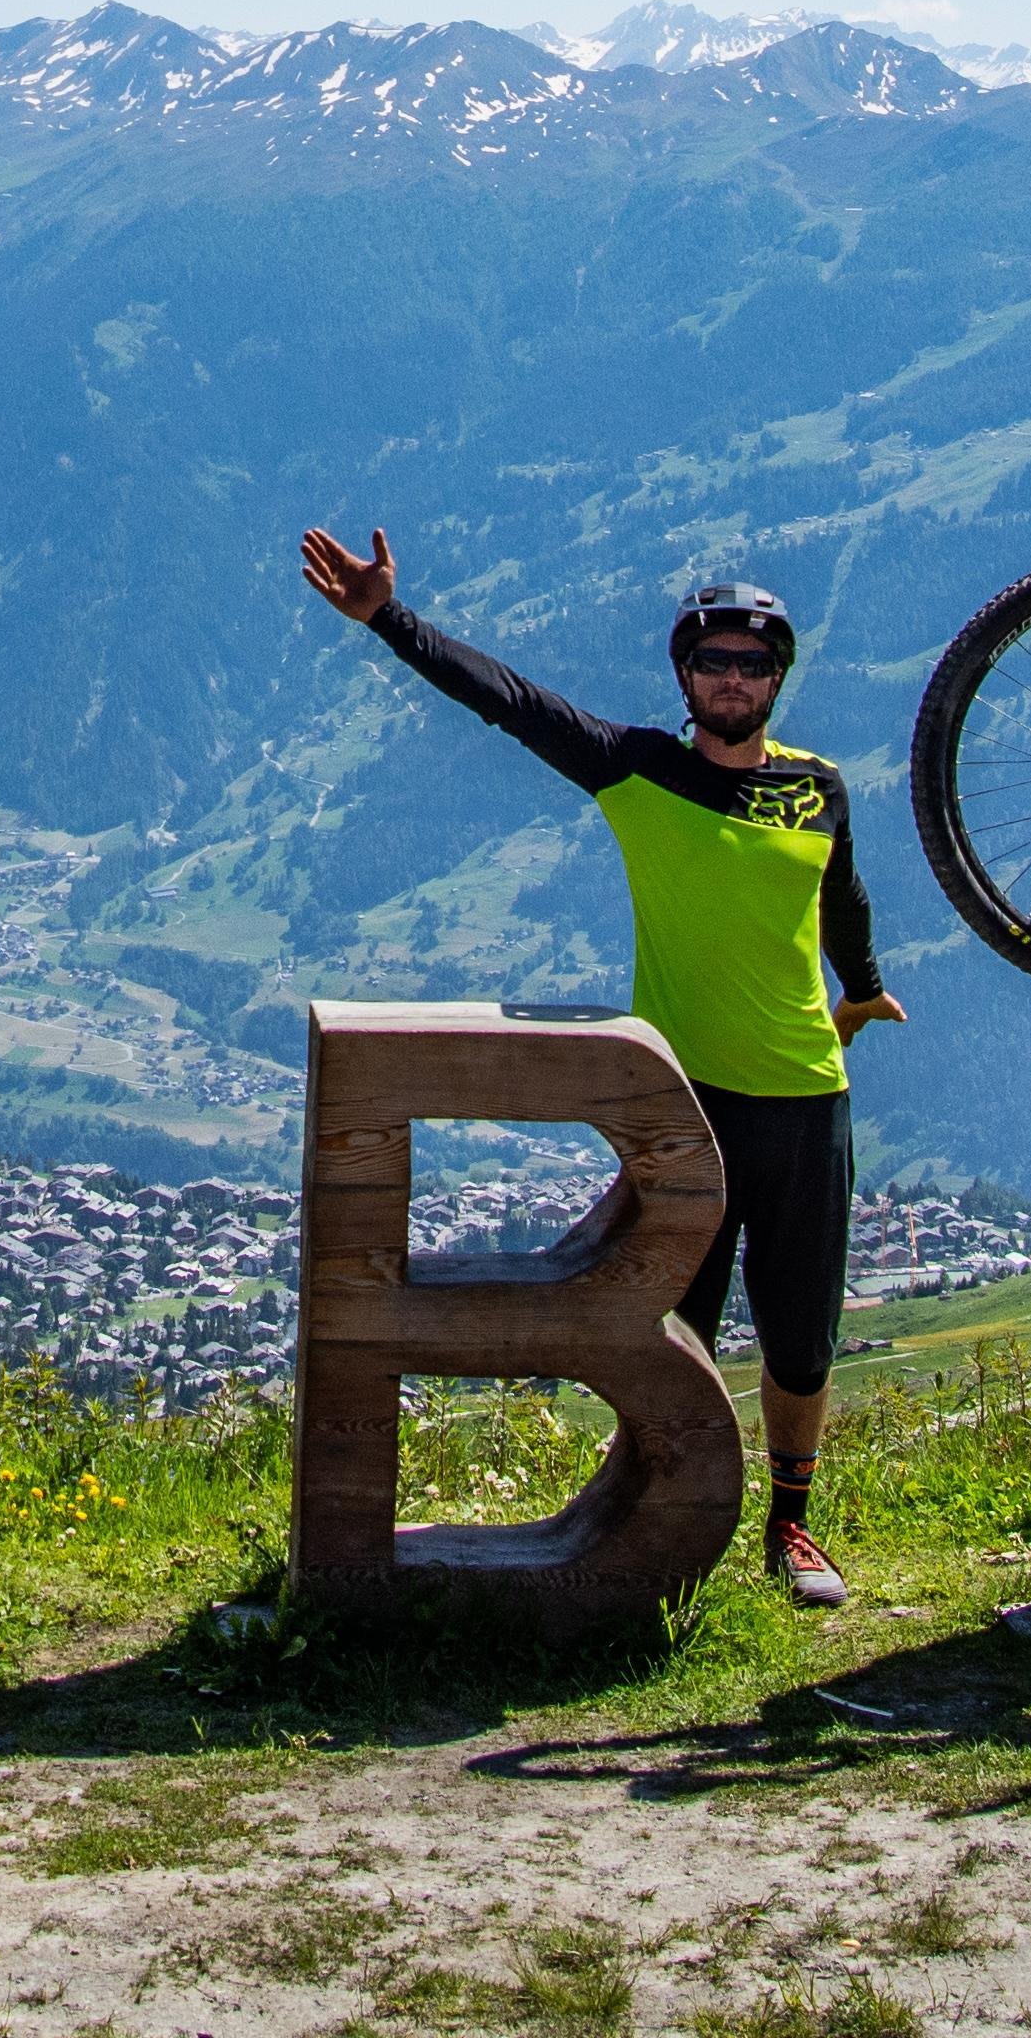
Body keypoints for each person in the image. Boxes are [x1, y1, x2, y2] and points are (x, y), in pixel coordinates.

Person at [295, 531, 904, 1604]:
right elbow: (513, 703)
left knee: (801, 1335)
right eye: (713, 661)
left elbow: (841, 897)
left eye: (753, 664)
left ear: (778, 678)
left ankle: (793, 1526)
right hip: (685, 1109)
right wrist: (390, 620)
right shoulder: (639, 769)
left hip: (808, 1099)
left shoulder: (821, 788)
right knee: (678, 1330)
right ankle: (666, 1522)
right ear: (684, 674)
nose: (732, 679)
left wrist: (859, 987)